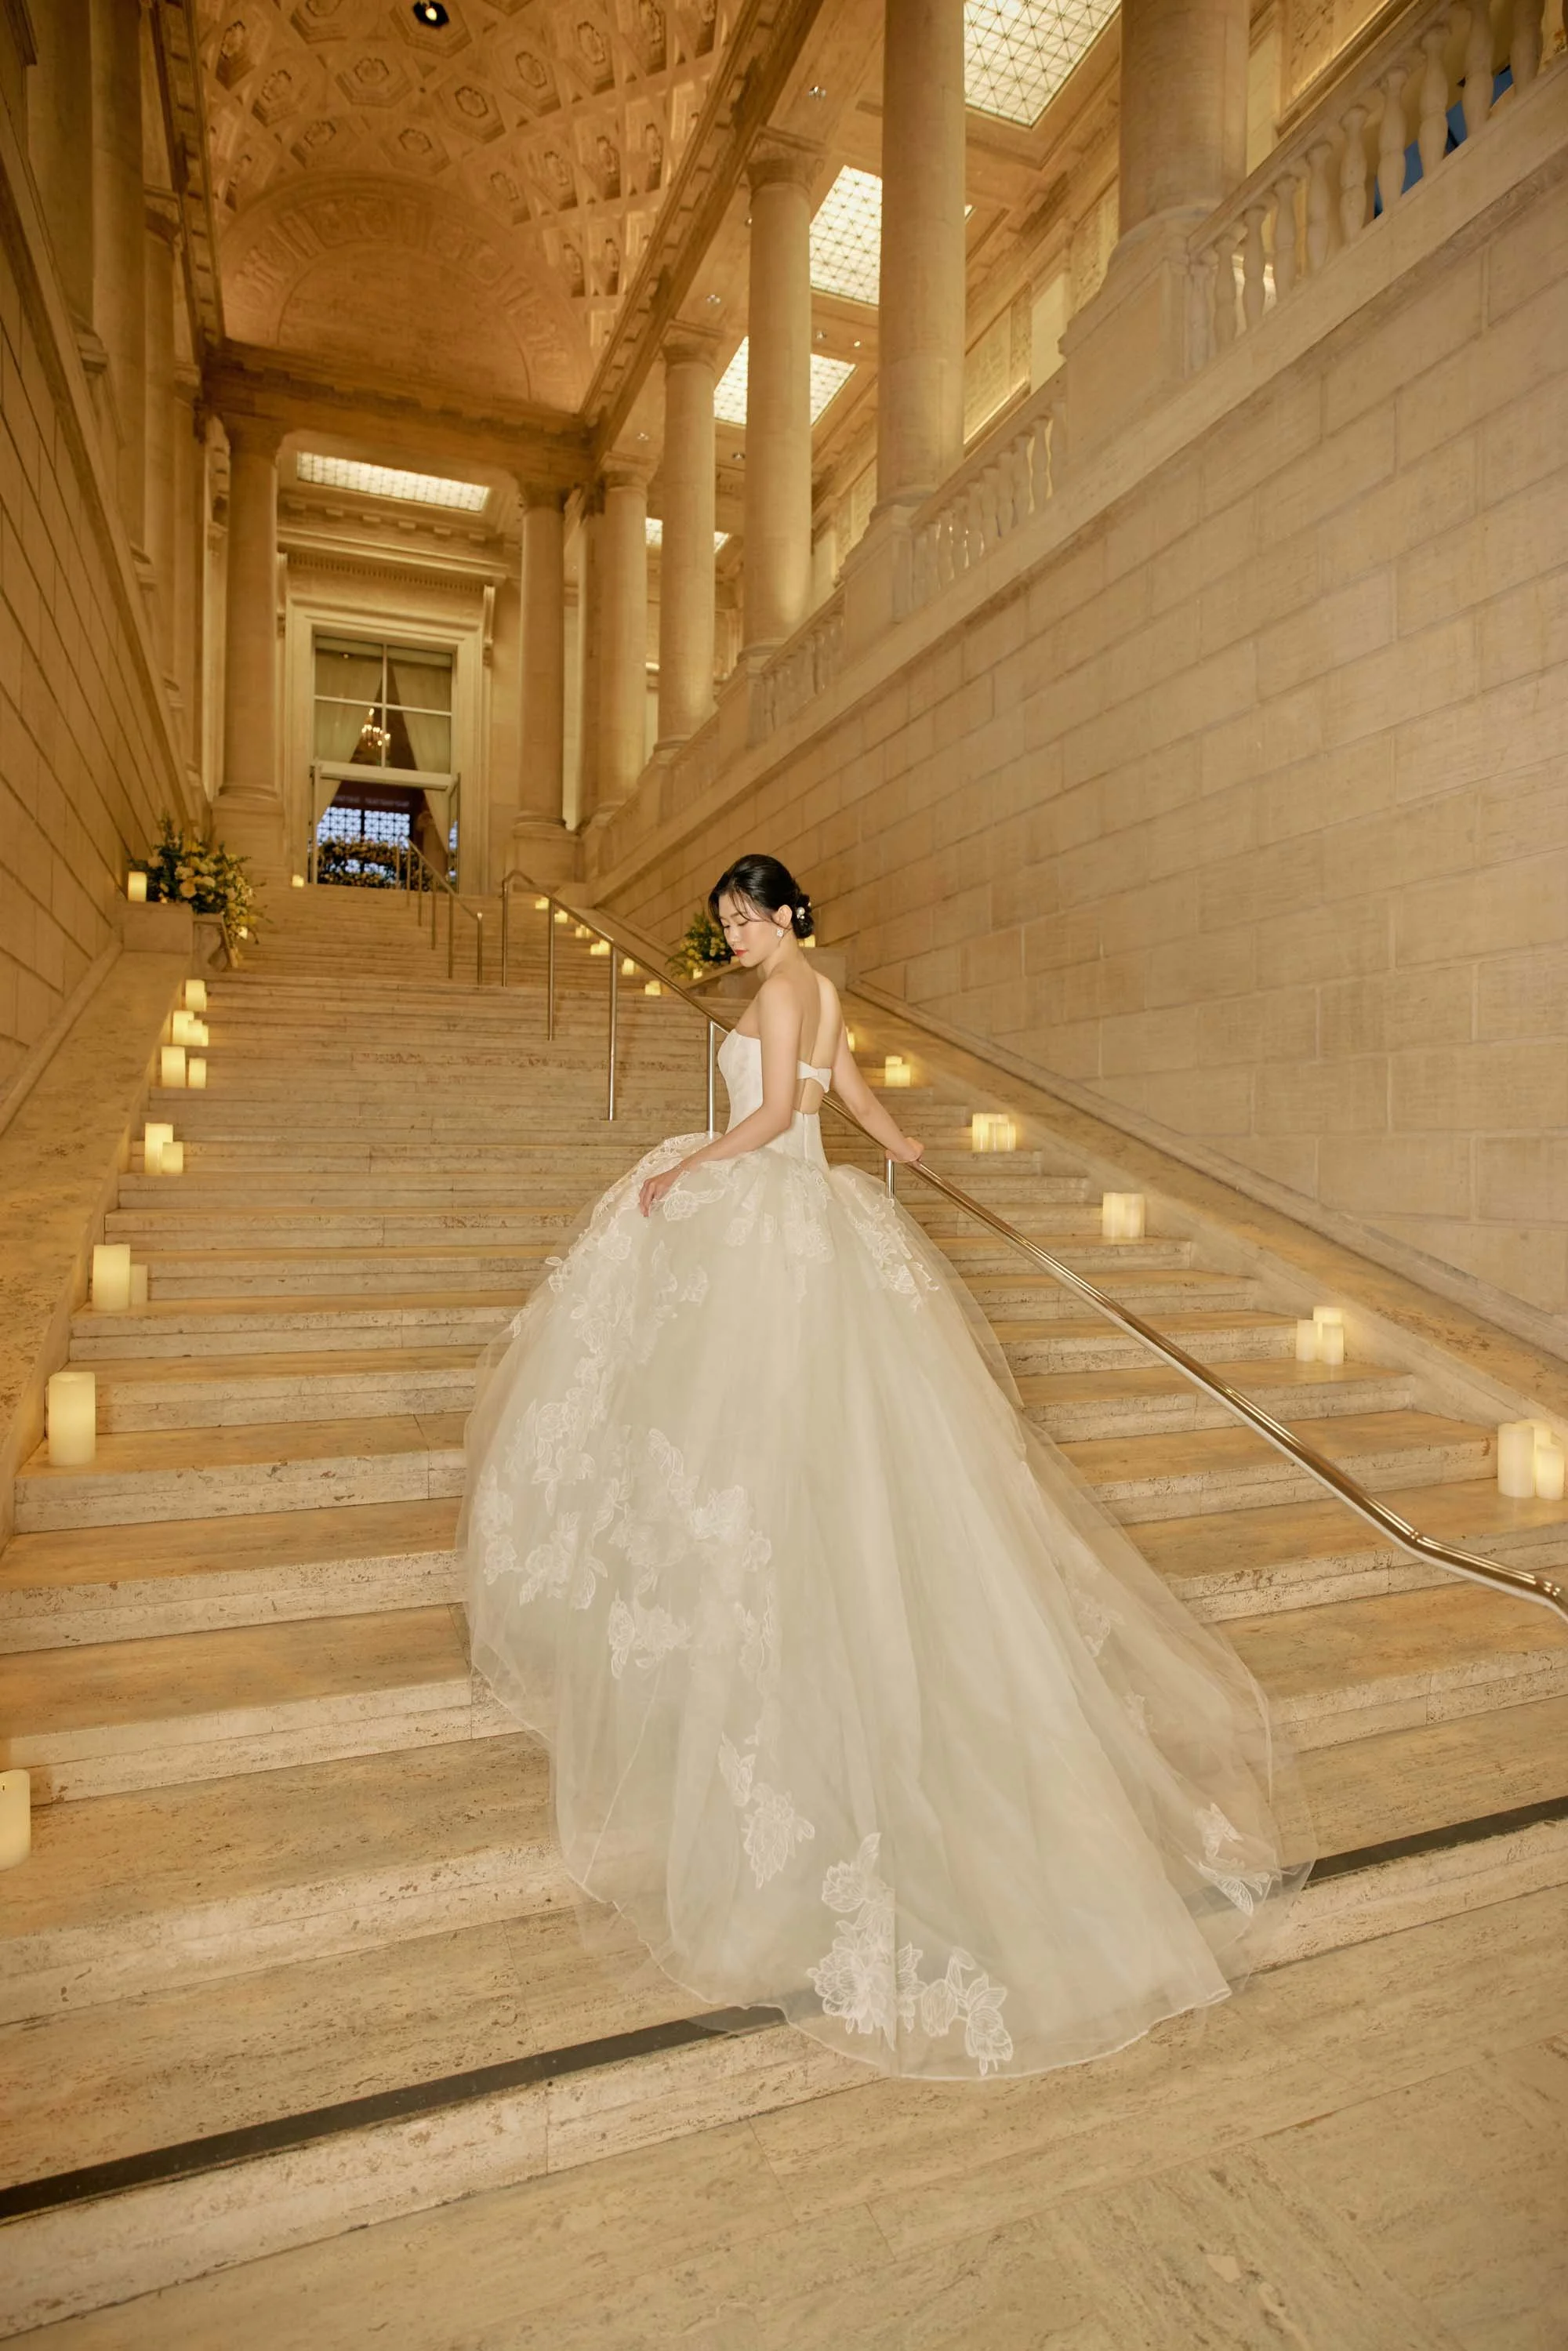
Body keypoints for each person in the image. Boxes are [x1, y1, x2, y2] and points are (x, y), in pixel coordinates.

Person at [462, 854, 1312, 2081]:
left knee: (761, 1439)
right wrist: (902, 1141)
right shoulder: (821, 992)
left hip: (768, 1211)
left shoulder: (794, 985)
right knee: (798, 1453)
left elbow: (772, 1118)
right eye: (727, 925)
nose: (737, 939)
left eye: (748, 920)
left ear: (790, 915)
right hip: (803, 1220)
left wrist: (682, 1169)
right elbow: (845, 1086)